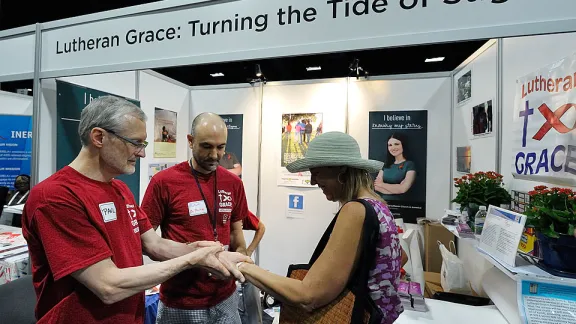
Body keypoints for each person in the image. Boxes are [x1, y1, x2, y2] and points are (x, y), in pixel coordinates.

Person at [21, 96, 250, 324]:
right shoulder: (56, 197)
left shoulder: (120, 189)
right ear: (99, 137)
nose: (141, 153)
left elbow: (154, 244)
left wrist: (208, 254)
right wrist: (192, 260)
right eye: (135, 143)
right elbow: (107, 285)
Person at [237, 131, 407, 324]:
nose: (313, 181)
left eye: (316, 172)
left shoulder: (355, 210)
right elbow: (400, 256)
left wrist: (243, 266)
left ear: (342, 171)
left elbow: (308, 296)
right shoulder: (379, 205)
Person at [141, 112, 251, 324]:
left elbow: (237, 237)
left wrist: (240, 262)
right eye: (207, 146)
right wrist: (194, 258)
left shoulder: (233, 183)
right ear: (190, 141)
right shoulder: (164, 182)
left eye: (221, 147)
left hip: (225, 300)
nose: (214, 155)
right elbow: (145, 242)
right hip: (180, 302)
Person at [374, 133, 416, 201]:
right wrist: (397, 188)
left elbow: (403, 189)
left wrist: (382, 184)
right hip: (382, 204)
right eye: (390, 145)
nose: (393, 148)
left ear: (403, 145)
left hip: (401, 206)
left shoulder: (409, 165)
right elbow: (376, 186)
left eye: (396, 144)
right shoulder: (386, 165)